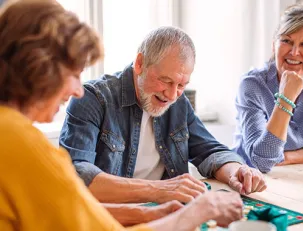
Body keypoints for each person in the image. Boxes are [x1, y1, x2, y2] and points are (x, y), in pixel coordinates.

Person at [0, 1, 246, 230]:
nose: (76, 89)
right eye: (73, 74)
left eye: (180, 85)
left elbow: (76, 211)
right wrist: (198, 211)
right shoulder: (21, 141)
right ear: (38, 67)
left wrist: (148, 215)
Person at [59, 25, 267, 222]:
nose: (172, 95)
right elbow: (78, 175)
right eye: (166, 81)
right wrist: (159, 190)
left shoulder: (178, 103)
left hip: (167, 214)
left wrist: (237, 172)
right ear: (139, 63)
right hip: (113, 218)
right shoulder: (92, 98)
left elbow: (209, 151)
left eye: (181, 85)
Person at [232, 4, 303, 173]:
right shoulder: (252, 85)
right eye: (286, 41)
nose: (294, 52)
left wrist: (288, 157)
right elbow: (262, 162)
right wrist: (286, 98)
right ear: (274, 45)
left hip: (297, 175)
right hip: (249, 180)